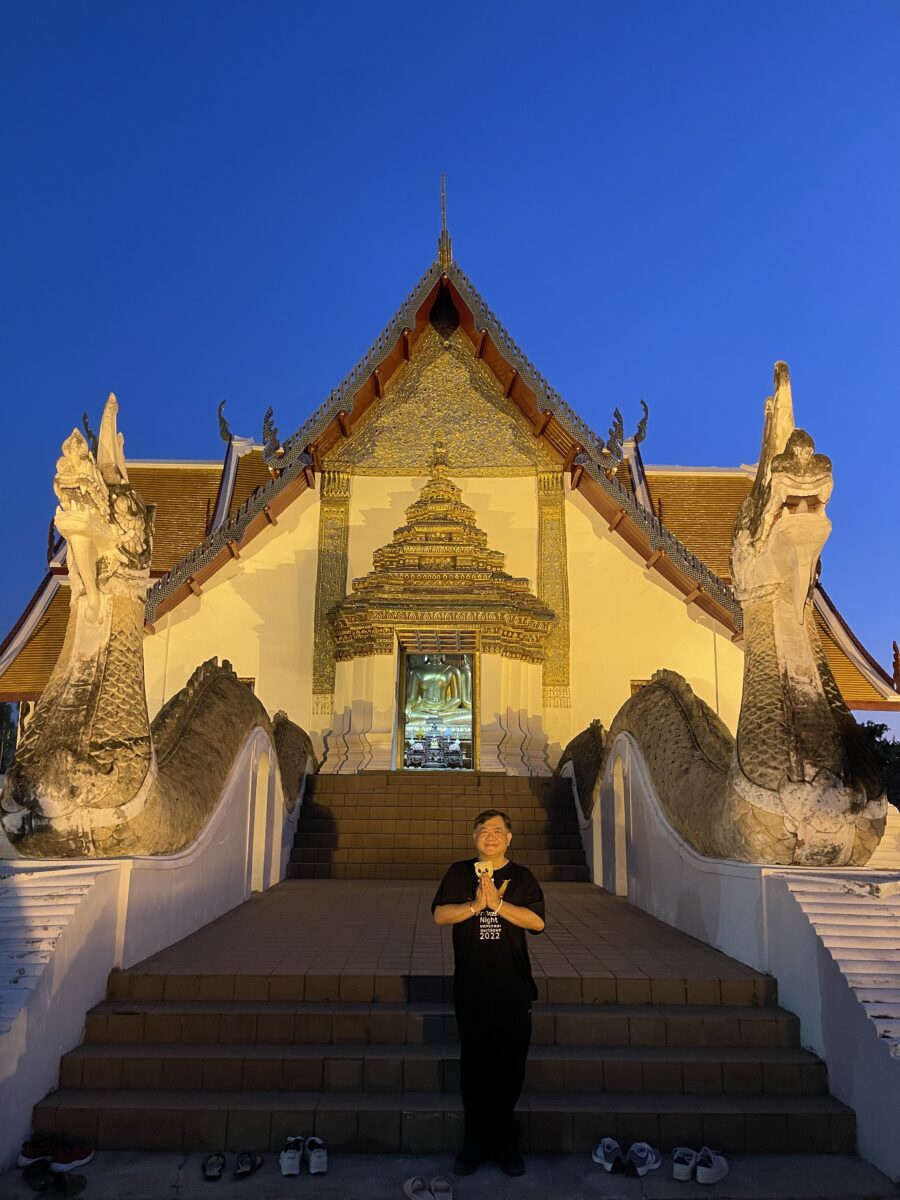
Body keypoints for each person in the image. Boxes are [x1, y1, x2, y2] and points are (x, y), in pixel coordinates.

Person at [432, 809, 545, 1177]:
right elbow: (439, 915)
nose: (490, 835)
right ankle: (475, 1141)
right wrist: (474, 905)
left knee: (509, 1067)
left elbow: (537, 922)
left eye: (497, 830)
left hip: (512, 989)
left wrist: (497, 904)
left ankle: (504, 1141)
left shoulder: (522, 877)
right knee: (475, 1066)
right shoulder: (458, 872)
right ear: (474, 837)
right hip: (472, 987)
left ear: (509, 838)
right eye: (483, 830)